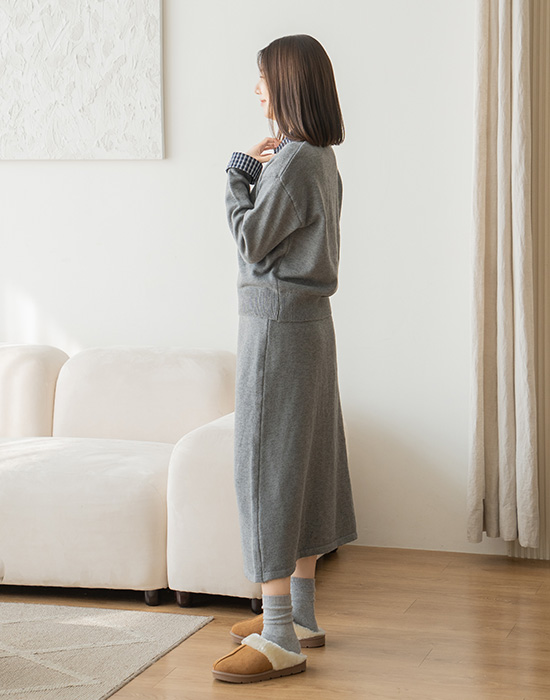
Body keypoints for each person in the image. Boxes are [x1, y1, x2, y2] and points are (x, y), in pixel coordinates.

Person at [212, 34, 357, 684]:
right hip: (310, 328)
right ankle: (298, 614)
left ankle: (278, 636)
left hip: (275, 328)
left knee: (266, 468)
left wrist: (238, 171)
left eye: (263, 78)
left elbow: (251, 241)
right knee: (303, 465)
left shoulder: (293, 160)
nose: (257, 89)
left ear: (288, 84)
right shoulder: (320, 158)